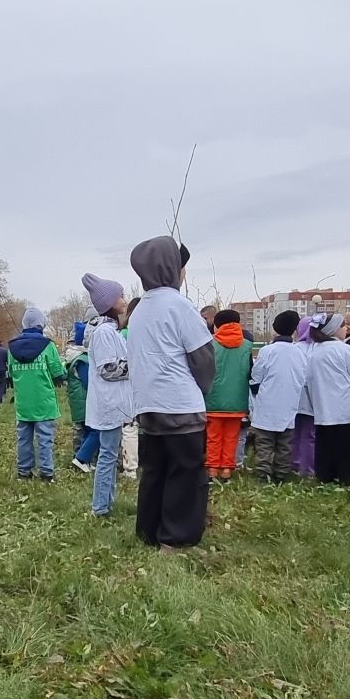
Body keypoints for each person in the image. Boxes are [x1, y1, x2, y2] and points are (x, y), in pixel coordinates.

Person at [128, 235, 213, 550]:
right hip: (179, 406)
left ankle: (149, 531)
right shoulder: (180, 306)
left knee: (155, 470)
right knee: (186, 472)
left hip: (148, 406)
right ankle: (176, 538)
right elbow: (203, 358)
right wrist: (199, 393)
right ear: (171, 268)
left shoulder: (139, 310)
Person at [81, 274, 134, 515]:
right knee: (107, 456)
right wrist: (136, 367)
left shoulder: (110, 331)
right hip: (108, 404)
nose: (124, 299)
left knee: (110, 455)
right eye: (121, 295)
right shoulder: (104, 333)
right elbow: (108, 369)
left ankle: (106, 503)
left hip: (113, 404)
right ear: (110, 303)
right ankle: (100, 507)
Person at [7, 307, 67, 481]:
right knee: (45, 439)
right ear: (41, 324)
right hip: (44, 401)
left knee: (23, 438)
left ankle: (24, 471)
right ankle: (47, 472)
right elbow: (57, 373)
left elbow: (10, 373)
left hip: (23, 402)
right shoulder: (48, 346)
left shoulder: (12, 348)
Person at [304, 312, 350, 486]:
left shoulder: (314, 352)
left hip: (323, 407)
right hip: (346, 408)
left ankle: (325, 475)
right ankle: (348, 477)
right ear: (334, 330)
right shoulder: (346, 350)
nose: (346, 328)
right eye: (343, 325)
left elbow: (308, 381)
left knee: (325, 445)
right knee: (347, 447)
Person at [248, 310, 303, 483]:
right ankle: (281, 473)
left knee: (264, 443)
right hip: (289, 404)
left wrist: (255, 389)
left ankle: (263, 474)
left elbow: (256, 374)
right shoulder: (299, 352)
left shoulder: (267, 351)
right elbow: (303, 376)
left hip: (267, 404)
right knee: (285, 444)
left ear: (274, 328)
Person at [205, 308, 253, 480]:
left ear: (217, 325)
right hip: (237, 399)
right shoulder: (247, 345)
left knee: (213, 436)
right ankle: (226, 469)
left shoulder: (210, 344)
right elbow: (250, 372)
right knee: (232, 436)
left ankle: (212, 468)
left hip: (214, 398)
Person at [289, 315, 319, 478]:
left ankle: (294, 463)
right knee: (309, 435)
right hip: (311, 398)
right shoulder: (316, 349)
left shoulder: (294, 348)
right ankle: (308, 468)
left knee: (295, 433)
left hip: (293, 398)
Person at [64, 325, 96, 472]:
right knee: (91, 431)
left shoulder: (74, 358)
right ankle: (80, 459)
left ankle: (82, 459)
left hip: (77, 402)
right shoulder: (83, 360)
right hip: (85, 403)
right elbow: (89, 383)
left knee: (84, 431)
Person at [120, 297, 142, 480]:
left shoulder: (124, 334)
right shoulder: (145, 332)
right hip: (146, 384)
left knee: (129, 427)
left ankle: (130, 468)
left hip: (128, 384)